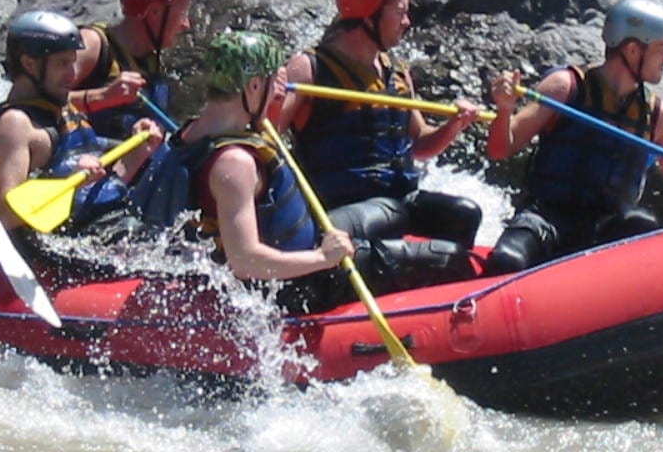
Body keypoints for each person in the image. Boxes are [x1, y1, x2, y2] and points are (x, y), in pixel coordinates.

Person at [134, 30, 477, 309]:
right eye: (274, 84)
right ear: (253, 86)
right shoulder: (234, 163)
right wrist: (323, 258)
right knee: (448, 259)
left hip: (300, 243)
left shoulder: (193, 130)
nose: (279, 93)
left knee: (396, 217)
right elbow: (247, 261)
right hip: (300, 285)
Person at [482, 0, 663, 275]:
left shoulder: (658, 116)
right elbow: (499, 149)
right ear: (634, 49)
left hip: (607, 232)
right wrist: (505, 111)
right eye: (662, 49)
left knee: (640, 223)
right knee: (507, 260)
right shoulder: (566, 87)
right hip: (545, 218)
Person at [279, 0, 483, 251]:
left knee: (464, 214)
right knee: (390, 216)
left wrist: (454, 126)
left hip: (400, 201)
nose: (407, 22)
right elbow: (266, 139)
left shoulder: (397, 71)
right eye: (399, 13)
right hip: (342, 210)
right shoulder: (309, 70)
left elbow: (421, 144)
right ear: (368, 18)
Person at [0, 10, 162, 232]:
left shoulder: (62, 107)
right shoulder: (15, 125)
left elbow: (106, 187)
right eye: (62, 64)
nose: (72, 74)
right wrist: (73, 181)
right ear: (29, 64)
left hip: (111, 225)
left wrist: (138, 152)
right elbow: (6, 215)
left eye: (72, 63)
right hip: (64, 246)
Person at [70, 0, 195, 137]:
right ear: (154, 12)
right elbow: (34, 102)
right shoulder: (93, 45)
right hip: (88, 159)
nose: (185, 25)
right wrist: (103, 96)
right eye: (181, 14)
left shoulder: (152, 60)